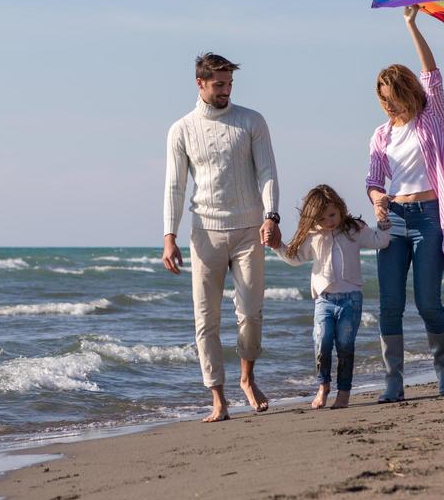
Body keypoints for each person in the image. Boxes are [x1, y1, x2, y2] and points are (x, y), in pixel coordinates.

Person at [366, 5, 444, 402]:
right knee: (389, 304)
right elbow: (373, 180)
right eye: (383, 100)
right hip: (395, 219)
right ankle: (393, 381)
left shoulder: (431, 117)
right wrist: (377, 200)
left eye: (394, 97)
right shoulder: (381, 135)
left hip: (430, 216)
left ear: (408, 93)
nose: (389, 106)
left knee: (427, 300)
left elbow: (432, 74)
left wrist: (411, 25)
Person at [163, 52, 280, 423]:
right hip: (205, 234)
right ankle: (218, 398)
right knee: (206, 319)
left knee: (250, 314)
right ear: (200, 83)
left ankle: (247, 378)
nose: (225, 90)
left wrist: (271, 215)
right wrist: (170, 235)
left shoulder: (251, 121)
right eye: (218, 85)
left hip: (248, 230)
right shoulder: (180, 129)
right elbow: (174, 187)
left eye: (229, 84)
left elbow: (267, 171)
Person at [270, 185, 389, 410]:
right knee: (322, 342)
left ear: (340, 208)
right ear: (314, 218)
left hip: (351, 299)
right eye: (323, 218)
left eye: (332, 215)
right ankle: (323, 385)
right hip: (324, 300)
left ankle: (343, 393)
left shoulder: (354, 228)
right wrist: (277, 247)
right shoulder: (312, 235)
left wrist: (383, 224)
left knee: (345, 346)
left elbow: (379, 241)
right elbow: (295, 258)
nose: (329, 221)